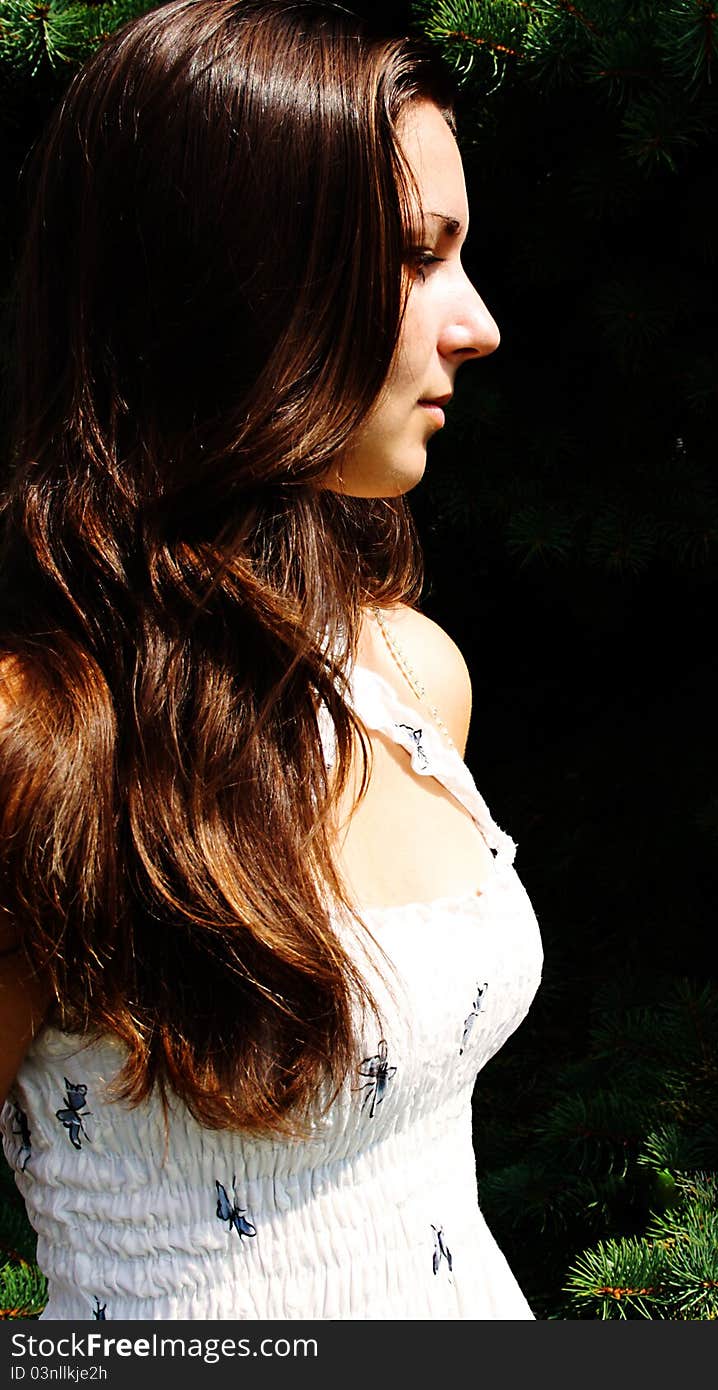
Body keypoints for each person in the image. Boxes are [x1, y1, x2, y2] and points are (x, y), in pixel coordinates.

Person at [0, 0, 543, 1320]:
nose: (475, 324)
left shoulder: (413, 680)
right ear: (238, 282)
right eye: (417, 258)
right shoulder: (36, 741)